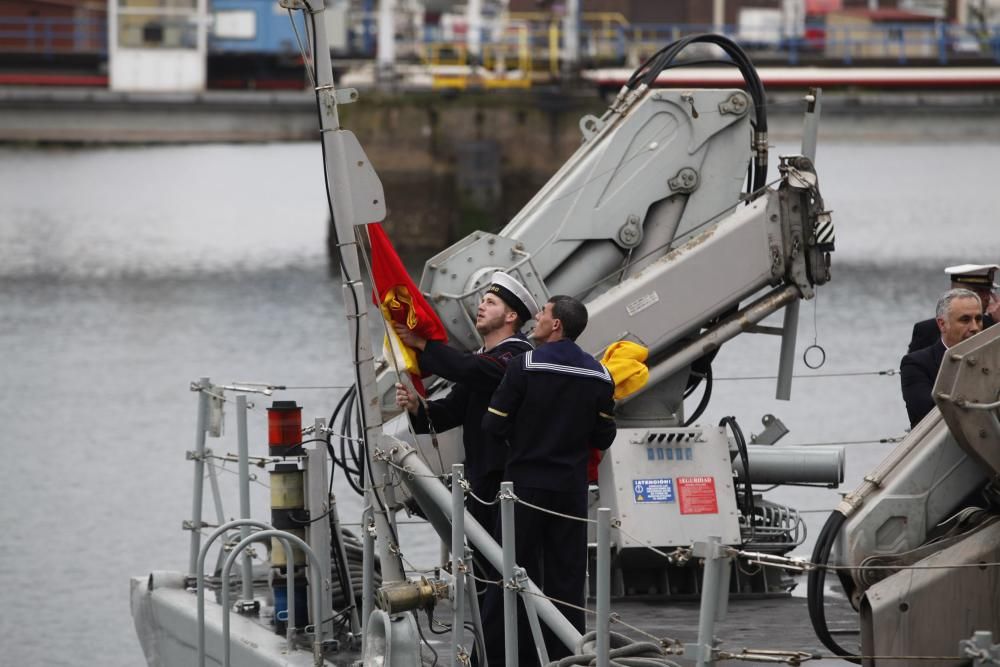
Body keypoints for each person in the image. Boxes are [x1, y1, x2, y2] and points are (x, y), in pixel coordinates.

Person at [480, 295, 617, 667]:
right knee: (567, 582)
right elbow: (604, 435)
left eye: (542, 312)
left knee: (505, 574)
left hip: (524, 487)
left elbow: (493, 423)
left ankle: (496, 658)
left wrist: (522, 438)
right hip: (570, 490)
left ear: (556, 324)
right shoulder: (600, 374)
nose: (536, 318)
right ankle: (567, 658)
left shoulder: (524, 365)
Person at [393, 271, 536, 573]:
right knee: (484, 566)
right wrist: (419, 407)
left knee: (506, 564)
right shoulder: (485, 358)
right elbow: (451, 411)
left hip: (509, 479)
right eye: (482, 300)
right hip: (482, 478)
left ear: (511, 316)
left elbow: (472, 369)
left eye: (491, 302)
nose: (481, 306)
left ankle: (511, 620)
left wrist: (423, 345)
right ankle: (489, 620)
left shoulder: (519, 357)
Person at [900, 288, 983, 427]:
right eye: (965, 320)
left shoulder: (993, 358)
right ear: (942, 324)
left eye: (978, 319)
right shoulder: (916, 364)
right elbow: (926, 414)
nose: (975, 327)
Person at [908, 264, 998, 353]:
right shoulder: (927, 330)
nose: (988, 297)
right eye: (980, 291)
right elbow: (916, 363)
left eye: (989, 291)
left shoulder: (993, 325)